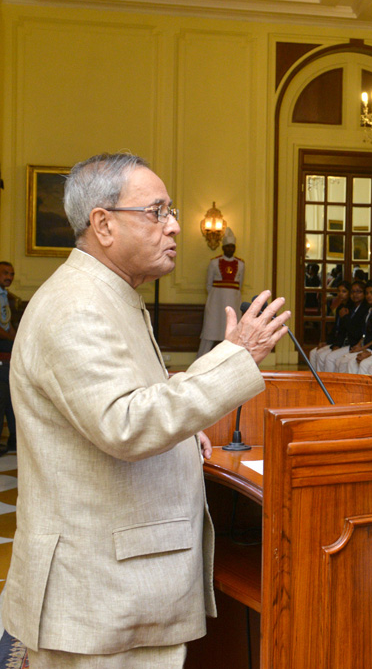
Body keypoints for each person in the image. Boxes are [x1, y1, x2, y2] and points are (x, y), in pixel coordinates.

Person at [3, 153, 289, 667]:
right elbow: (126, 424)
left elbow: (124, 401)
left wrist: (183, 434)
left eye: (171, 210)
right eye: (157, 212)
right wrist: (236, 357)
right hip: (101, 593)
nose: (175, 225)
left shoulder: (110, 295)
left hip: (118, 587)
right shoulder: (78, 306)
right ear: (104, 224)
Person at [196, 227, 244, 357]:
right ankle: (199, 360)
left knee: (232, 334)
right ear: (223, 248)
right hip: (215, 304)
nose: (230, 249)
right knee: (210, 332)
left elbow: (240, 285)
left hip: (233, 303)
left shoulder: (240, 264)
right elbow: (208, 285)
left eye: (232, 247)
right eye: (227, 246)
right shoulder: (214, 263)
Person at [0, 261, 18, 452]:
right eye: (5, 273)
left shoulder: (5, 296)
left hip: (7, 354)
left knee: (10, 399)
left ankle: (14, 438)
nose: (10, 277)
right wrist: (14, 338)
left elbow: (6, 323)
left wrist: (16, 339)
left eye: (12, 274)